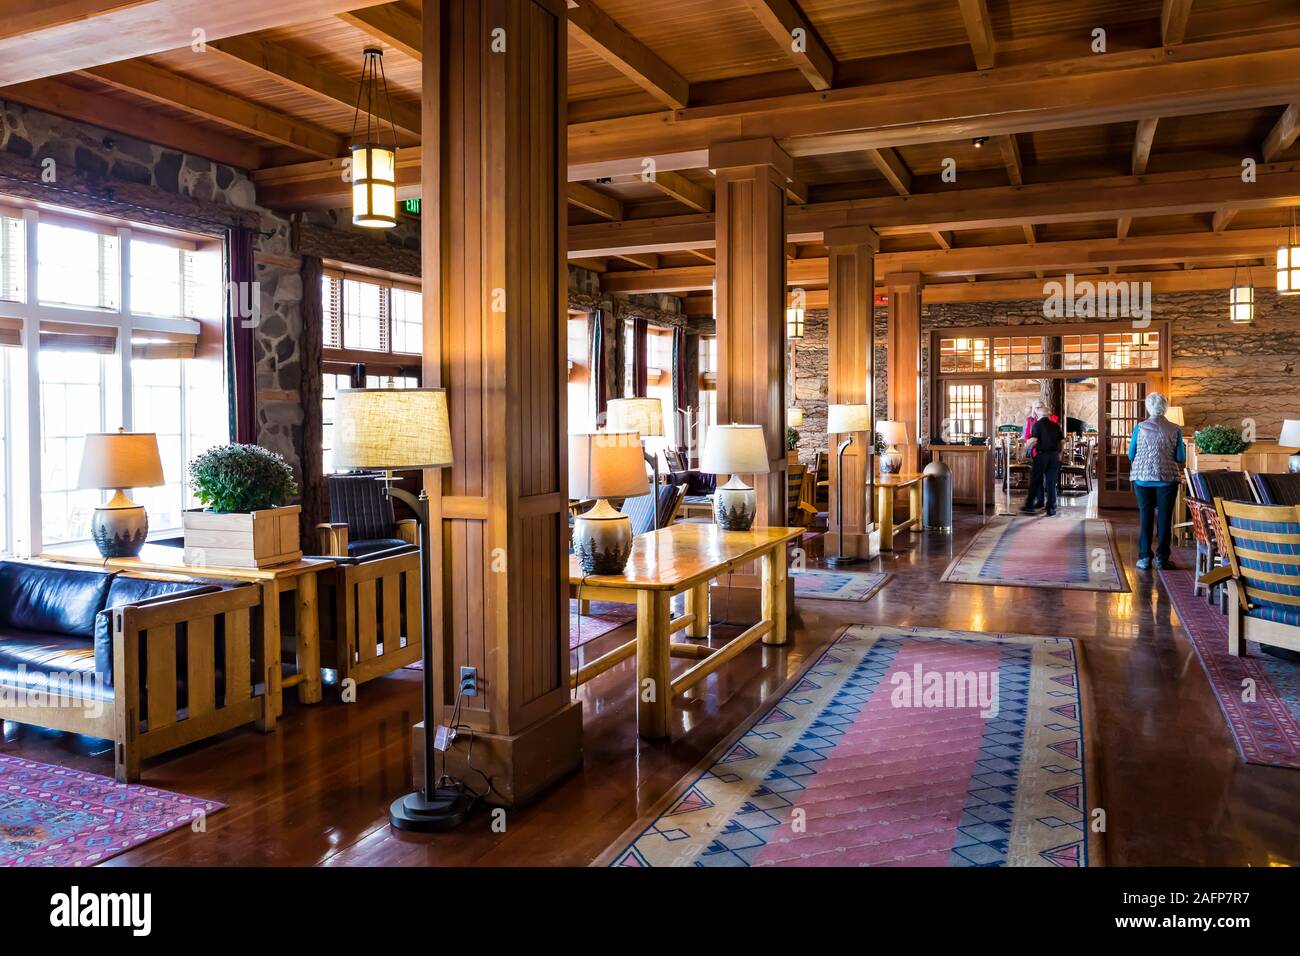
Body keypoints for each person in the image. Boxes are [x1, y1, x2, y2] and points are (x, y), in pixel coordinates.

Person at [1128, 391, 1186, 571]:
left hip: (1142, 479)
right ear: (1165, 408)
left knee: (1145, 516)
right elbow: (1180, 457)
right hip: (1167, 479)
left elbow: (1131, 454)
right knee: (1165, 518)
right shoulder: (1176, 429)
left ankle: (1144, 557)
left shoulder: (1140, 427)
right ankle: (1162, 558)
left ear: (1148, 407)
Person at [1020, 401, 1063, 516]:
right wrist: (1060, 454)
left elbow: (1033, 440)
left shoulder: (1037, 425)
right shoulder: (1056, 425)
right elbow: (1062, 441)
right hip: (1054, 456)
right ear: (1048, 415)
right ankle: (1051, 508)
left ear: (1039, 415)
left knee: (1035, 480)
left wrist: (1025, 447)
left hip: (1042, 455)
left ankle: (1029, 505)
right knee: (1051, 482)